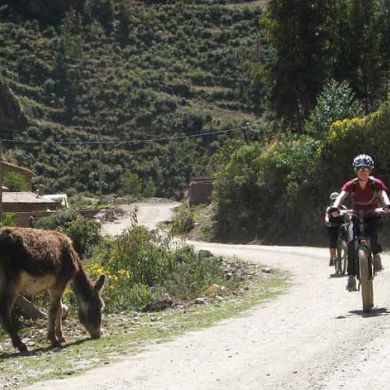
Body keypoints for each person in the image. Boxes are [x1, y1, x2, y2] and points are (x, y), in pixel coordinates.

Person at [329, 154, 390, 291]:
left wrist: (387, 205)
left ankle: (376, 255)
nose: (363, 171)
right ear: (356, 170)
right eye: (360, 169)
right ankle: (351, 277)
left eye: (366, 169)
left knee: (372, 235)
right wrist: (335, 207)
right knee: (351, 243)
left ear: (370, 170)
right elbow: (341, 196)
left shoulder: (376, 183)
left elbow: (383, 196)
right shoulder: (352, 184)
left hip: (373, 215)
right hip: (356, 216)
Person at [325, 192, 346, 266]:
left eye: (336, 200)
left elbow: (348, 215)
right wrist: (327, 221)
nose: (334, 201)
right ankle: (331, 258)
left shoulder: (343, 207)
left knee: (348, 238)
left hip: (341, 226)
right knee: (332, 243)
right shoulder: (329, 208)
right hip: (332, 227)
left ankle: (347, 254)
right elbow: (327, 216)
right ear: (331, 200)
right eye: (333, 200)